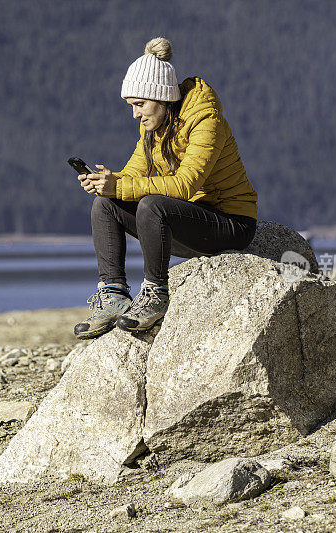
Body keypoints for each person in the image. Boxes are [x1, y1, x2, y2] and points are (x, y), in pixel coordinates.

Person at [74, 37, 258, 340]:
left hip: (231, 223)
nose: (135, 114)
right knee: (105, 205)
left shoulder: (206, 122)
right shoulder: (154, 127)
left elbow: (185, 185)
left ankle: (156, 294)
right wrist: (108, 183)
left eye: (139, 105)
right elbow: (135, 173)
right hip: (191, 221)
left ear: (162, 98)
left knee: (152, 204)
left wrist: (120, 187)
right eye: (131, 106)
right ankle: (114, 296)